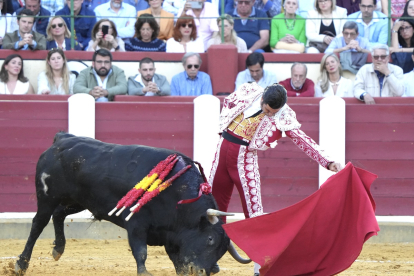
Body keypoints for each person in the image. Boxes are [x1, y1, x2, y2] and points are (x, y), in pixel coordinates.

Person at [209, 82, 342, 276]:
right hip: (223, 149)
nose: (270, 114)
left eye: (274, 112)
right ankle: (209, 258)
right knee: (212, 208)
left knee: (254, 213)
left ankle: (259, 268)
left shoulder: (282, 114)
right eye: (268, 110)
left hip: (245, 158)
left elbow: (301, 138)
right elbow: (228, 103)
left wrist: (327, 161)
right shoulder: (249, 91)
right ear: (262, 98)